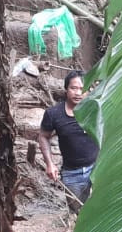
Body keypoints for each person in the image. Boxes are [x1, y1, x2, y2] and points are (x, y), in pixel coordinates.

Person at [37, 70, 99, 203]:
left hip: (97, 169)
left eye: (82, 89)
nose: (78, 93)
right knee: (77, 216)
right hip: (72, 174)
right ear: (66, 89)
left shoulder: (96, 110)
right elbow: (43, 136)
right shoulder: (53, 114)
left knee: (100, 213)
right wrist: (49, 163)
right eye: (73, 88)